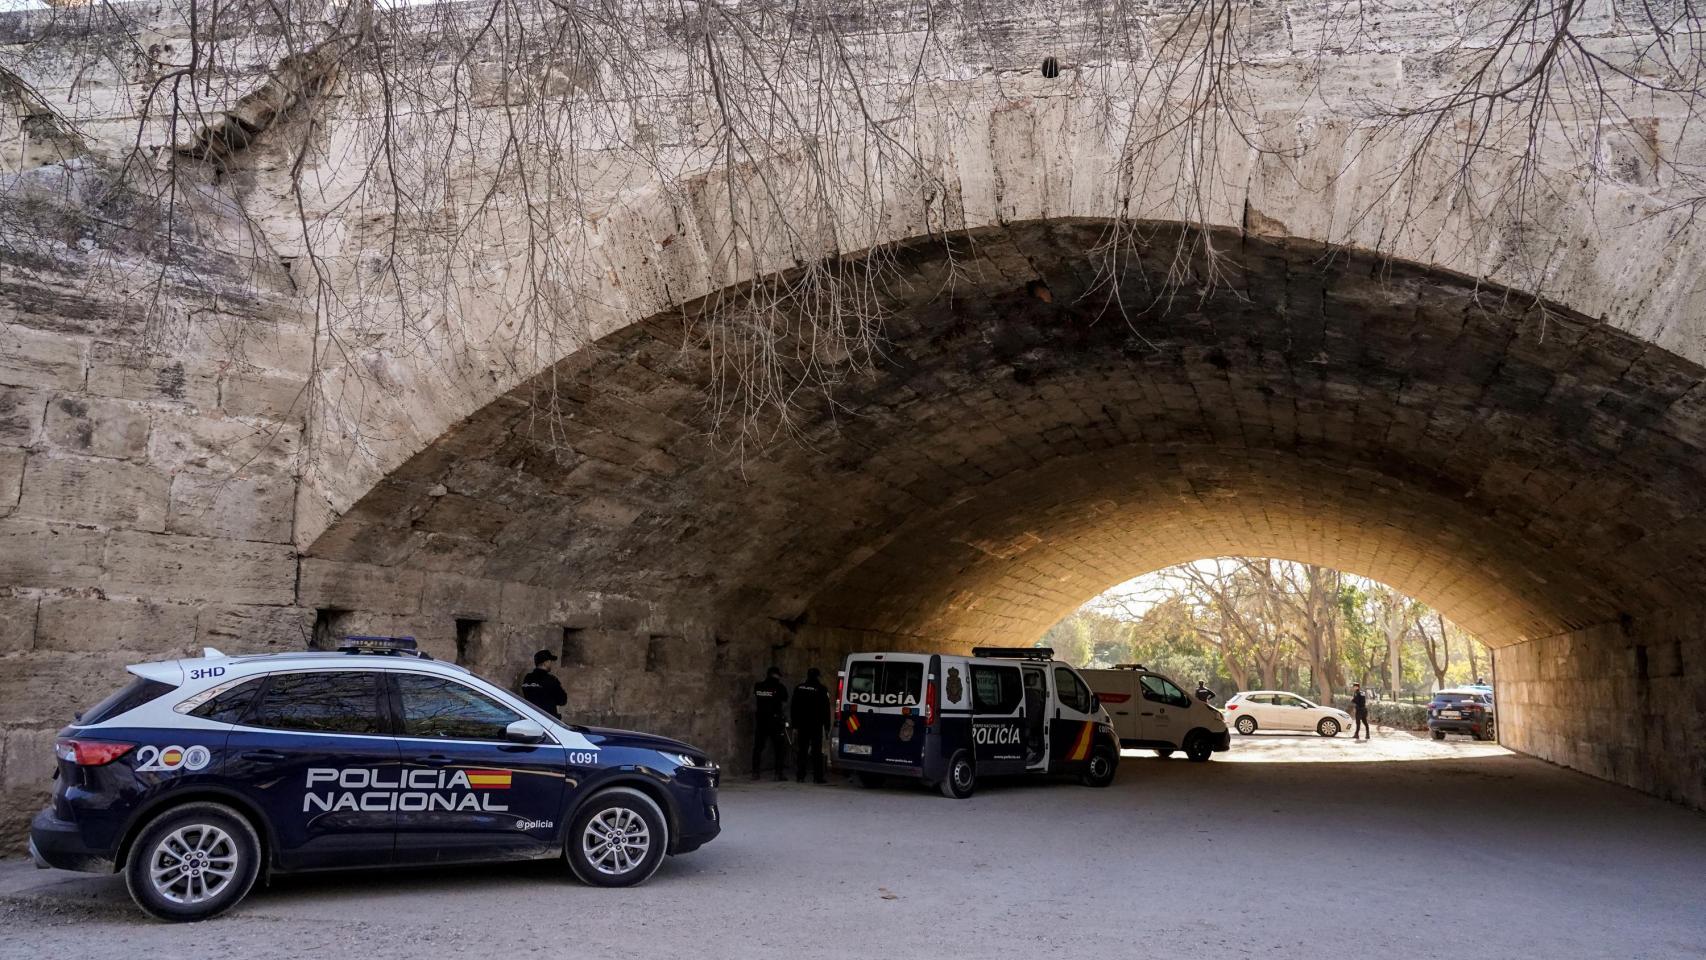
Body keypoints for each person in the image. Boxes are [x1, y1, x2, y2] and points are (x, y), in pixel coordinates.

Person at [791, 667, 831, 784]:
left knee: (802, 750)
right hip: (816, 725)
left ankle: (800, 776)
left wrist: (795, 725)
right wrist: (827, 726)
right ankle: (817, 777)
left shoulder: (799, 688)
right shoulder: (822, 689)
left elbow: (794, 708)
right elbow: (826, 709)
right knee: (816, 752)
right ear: (818, 676)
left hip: (802, 724)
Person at [751, 666, 789, 781]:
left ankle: (755, 773)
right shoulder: (780, 687)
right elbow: (784, 700)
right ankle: (778, 774)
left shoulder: (758, 686)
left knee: (758, 747)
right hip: (775, 721)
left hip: (761, 720)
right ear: (776, 675)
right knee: (779, 748)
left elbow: (756, 698)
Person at [520, 649, 567, 720]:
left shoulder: (527, 678)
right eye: (550, 661)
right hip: (547, 720)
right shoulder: (551, 680)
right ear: (545, 663)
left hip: (531, 717)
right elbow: (562, 700)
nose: (551, 664)